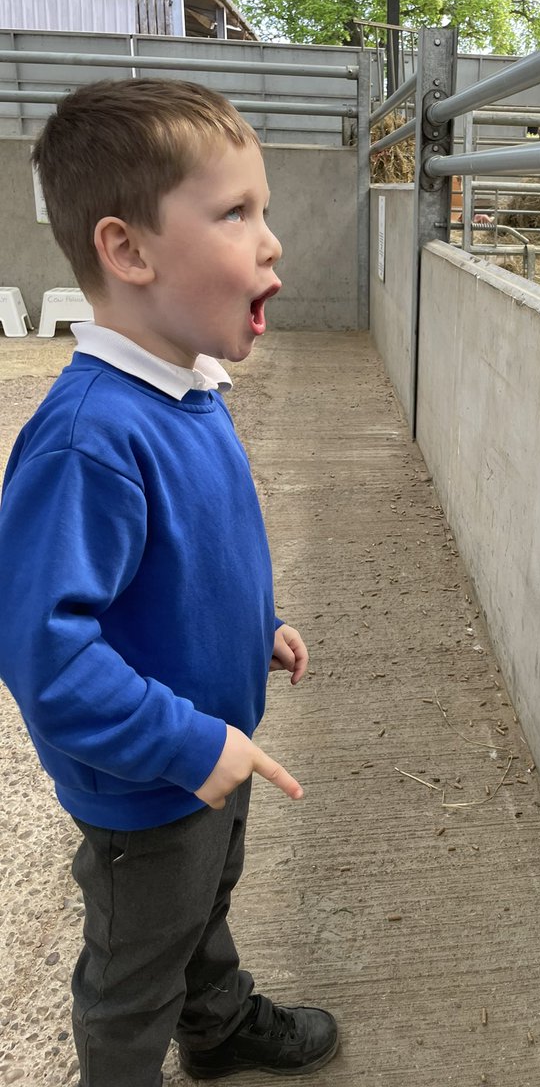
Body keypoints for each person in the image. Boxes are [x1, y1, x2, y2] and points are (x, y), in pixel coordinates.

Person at [0, 78, 339, 1085]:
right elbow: (46, 657)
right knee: (133, 968)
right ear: (128, 251)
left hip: (211, 752)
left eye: (263, 210)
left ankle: (220, 1022)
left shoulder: (189, 390)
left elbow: (195, 553)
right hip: (151, 784)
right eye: (237, 213)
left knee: (205, 901)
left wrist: (257, 624)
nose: (271, 241)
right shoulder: (89, 439)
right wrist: (189, 742)